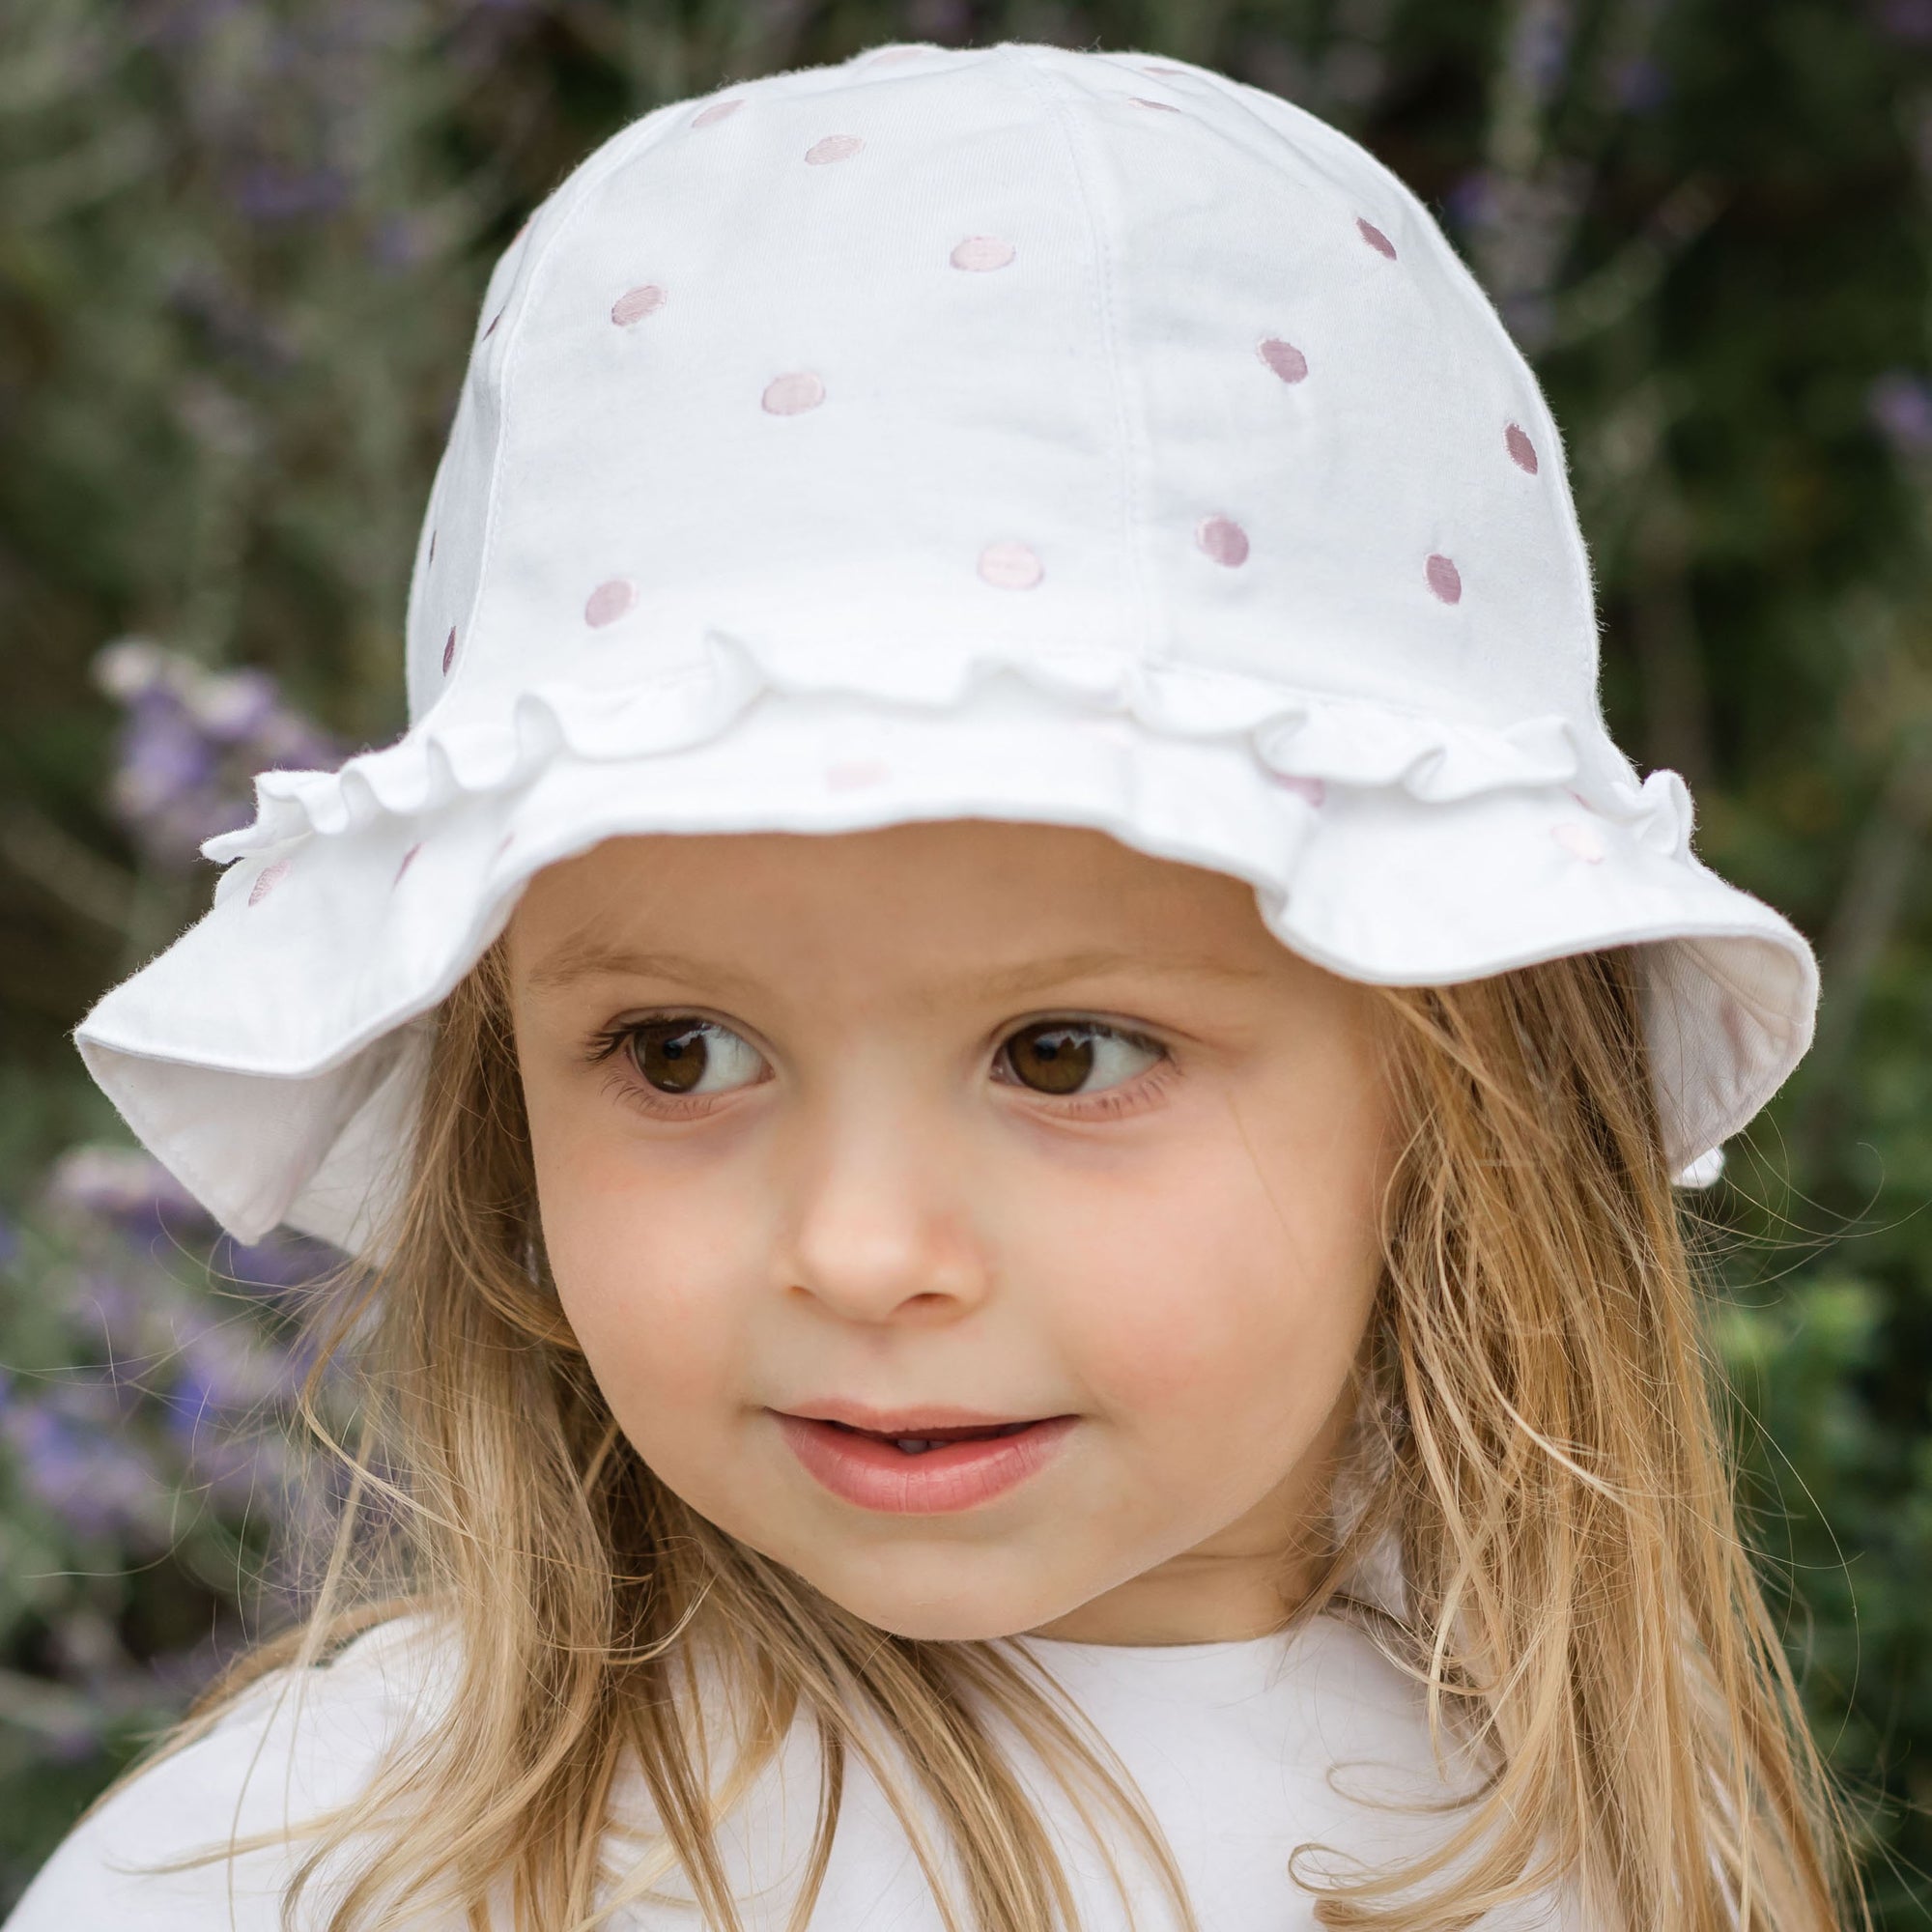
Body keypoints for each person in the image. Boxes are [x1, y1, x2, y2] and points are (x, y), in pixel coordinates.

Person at [5, 36, 1856, 1932]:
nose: (863, 1251)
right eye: (679, 1052)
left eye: (1064, 1055)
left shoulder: (1614, 1846)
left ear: (1465, 1084)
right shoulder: (312, 1865)